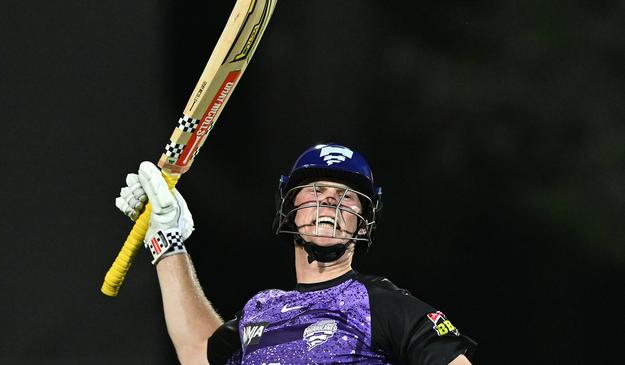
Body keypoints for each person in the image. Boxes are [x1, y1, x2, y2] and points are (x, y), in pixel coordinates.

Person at [115, 143, 476, 365]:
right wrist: (166, 240)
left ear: (364, 224)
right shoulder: (262, 309)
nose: (331, 199)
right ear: (289, 209)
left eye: (347, 195)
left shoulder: (383, 304)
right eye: (316, 188)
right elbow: (198, 352)